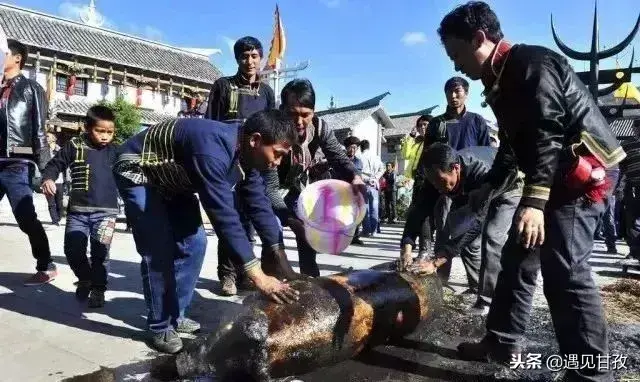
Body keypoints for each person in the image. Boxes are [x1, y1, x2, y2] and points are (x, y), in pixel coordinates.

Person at [436, 2, 626, 381]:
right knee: (518, 254)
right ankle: (502, 342)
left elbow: (547, 134)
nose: (456, 67)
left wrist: (534, 203)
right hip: (555, 173)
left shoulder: (530, 65)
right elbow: (513, 145)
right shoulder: (501, 77)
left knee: (566, 269)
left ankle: (591, 374)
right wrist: (489, 186)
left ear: (480, 38)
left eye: (457, 54)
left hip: (584, 174)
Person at [113, 110, 300, 354]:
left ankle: (176, 315)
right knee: (158, 248)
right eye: (277, 154)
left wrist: (279, 255)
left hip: (174, 180)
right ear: (255, 140)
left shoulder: (248, 155)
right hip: (138, 170)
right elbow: (223, 215)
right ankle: (160, 326)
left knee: (195, 243)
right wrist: (258, 276)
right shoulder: (212, 148)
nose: (277, 163)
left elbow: (259, 203)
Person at [403, 143, 522, 316]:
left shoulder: (479, 171)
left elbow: (476, 225)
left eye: (441, 181)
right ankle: (476, 286)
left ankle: (487, 301)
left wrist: (436, 262)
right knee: (463, 238)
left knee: (492, 237)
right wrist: (407, 246)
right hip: (473, 193)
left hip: (506, 189)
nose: (438, 187)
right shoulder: (436, 175)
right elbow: (420, 209)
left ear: (456, 168)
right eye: (434, 183)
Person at [263, 79, 365, 277]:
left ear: (314, 112)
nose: (299, 122)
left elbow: (339, 158)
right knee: (273, 232)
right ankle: (270, 278)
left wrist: (355, 177)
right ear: (282, 109)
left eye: (305, 115)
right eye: (292, 114)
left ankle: (311, 279)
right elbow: (270, 188)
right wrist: (291, 220)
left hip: (294, 186)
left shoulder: (320, 128)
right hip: (267, 187)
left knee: (307, 231)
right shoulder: (271, 130)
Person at [204, 36, 276, 295]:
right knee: (229, 218)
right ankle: (227, 276)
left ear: (260, 58)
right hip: (227, 163)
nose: (250, 61)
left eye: (255, 56)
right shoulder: (223, 86)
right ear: (236, 59)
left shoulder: (267, 92)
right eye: (245, 56)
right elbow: (209, 125)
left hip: (254, 164)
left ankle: (248, 273)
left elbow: (273, 129)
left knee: (250, 220)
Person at [41, 106, 119, 308]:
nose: (105, 136)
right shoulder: (74, 146)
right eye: (100, 131)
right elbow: (54, 165)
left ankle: (98, 290)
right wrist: (48, 178)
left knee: (101, 253)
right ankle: (85, 278)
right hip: (78, 213)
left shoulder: (116, 152)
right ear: (87, 128)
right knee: (73, 250)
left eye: (109, 132)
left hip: (106, 214)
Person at [0, 38, 54, 285]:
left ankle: (46, 264)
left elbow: (39, 132)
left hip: (16, 162)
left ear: (17, 58)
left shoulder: (32, 88)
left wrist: (47, 170)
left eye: (4, 53)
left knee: (25, 217)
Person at [425, 76, 491, 150]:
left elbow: (486, 152)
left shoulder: (477, 120)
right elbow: (427, 154)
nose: (453, 96)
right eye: (449, 92)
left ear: (466, 93)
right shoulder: (435, 122)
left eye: (457, 91)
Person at [359, 139, 384, 236]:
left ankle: (366, 230)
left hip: (364, 183)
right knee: (374, 207)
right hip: (374, 183)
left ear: (361, 148)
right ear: (369, 147)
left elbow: (359, 172)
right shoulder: (376, 157)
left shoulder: (359, 157)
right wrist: (376, 178)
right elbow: (382, 169)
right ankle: (374, 230)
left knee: (365, 208)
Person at [345, 136, 365, 245]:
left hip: (355, 190)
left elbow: (358, 174)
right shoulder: (340, 159)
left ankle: (355, 236)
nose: (353, 150)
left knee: (356, 213)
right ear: (346, 147)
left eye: (355, 148)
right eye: (351, 147)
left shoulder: (358, 161)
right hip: (342, 189)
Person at [45, 133, 64, 226]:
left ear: (54, 138)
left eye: (48, 136)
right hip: (47, 180)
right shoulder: (44, 150)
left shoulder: (60, 150)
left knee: (59, 201)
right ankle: (54, 220)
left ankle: (59, 217)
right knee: (51, 202)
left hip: (59, 180)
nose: (46, 138)